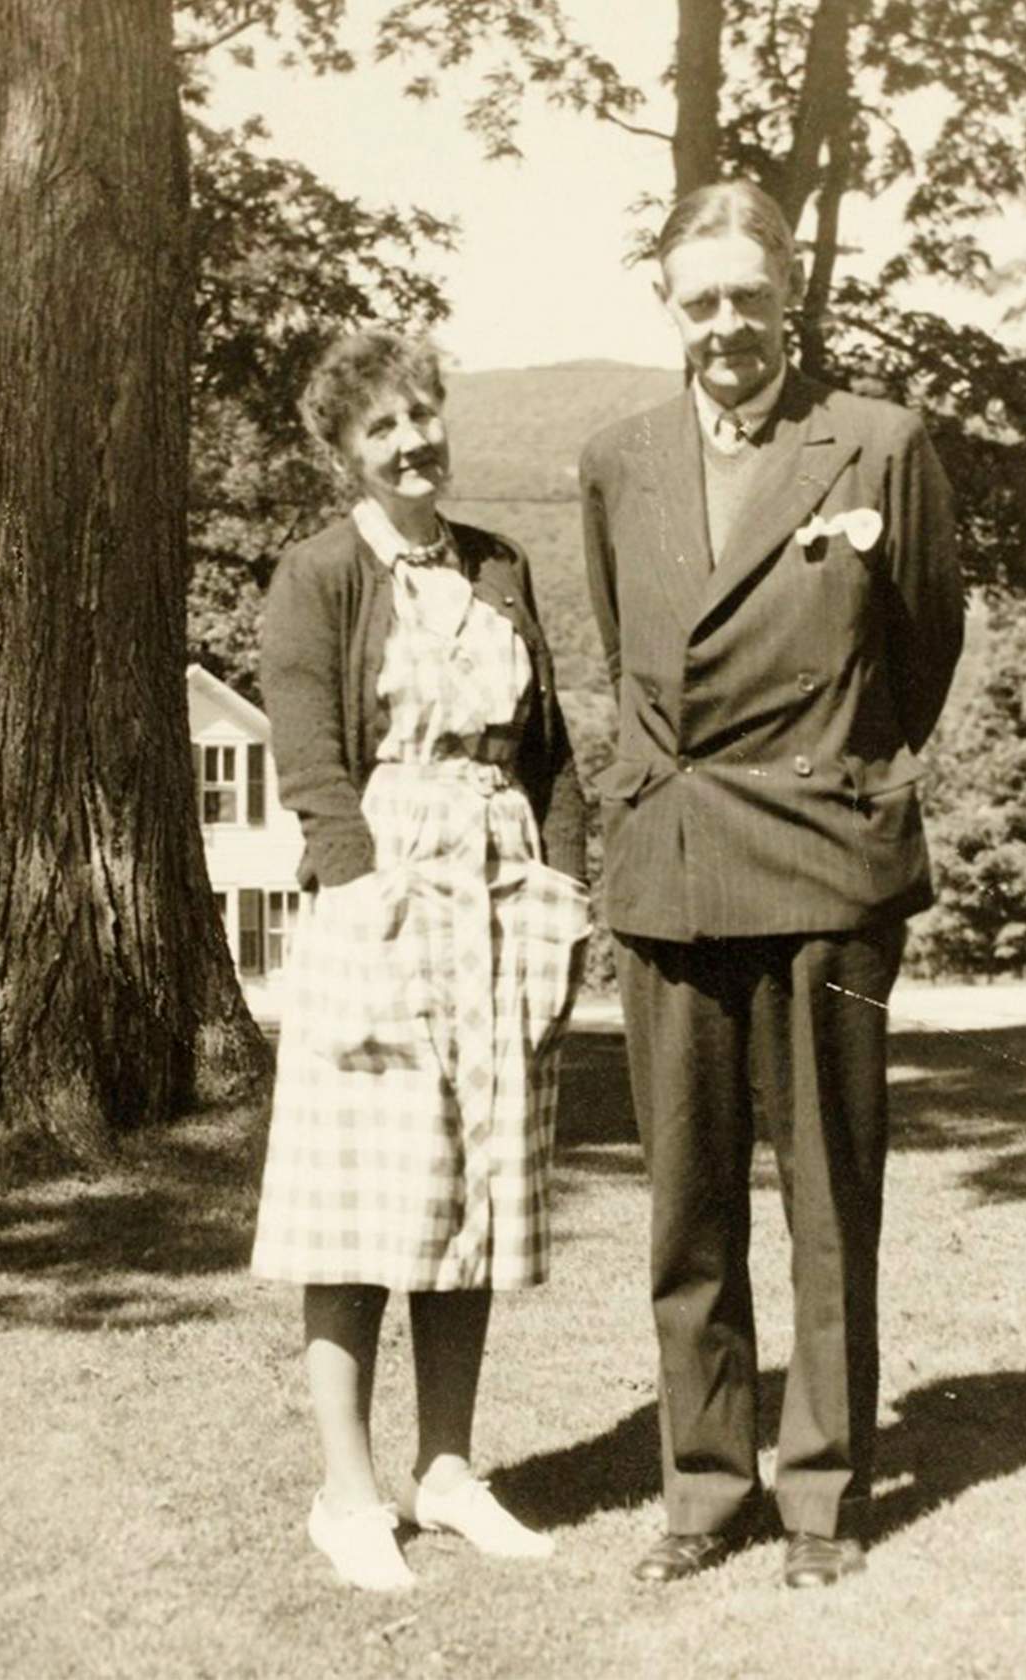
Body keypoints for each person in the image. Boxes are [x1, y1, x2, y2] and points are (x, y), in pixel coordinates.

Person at [579, 181, 963, 1589]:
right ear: (667, 306)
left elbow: (924, 648)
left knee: (825, 1198)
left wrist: (845, 772)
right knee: (687, 1204)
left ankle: (821, 1497)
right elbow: (631, 646)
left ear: (790, 290)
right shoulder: (618, 456)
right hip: (673, 866)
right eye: (702, 299)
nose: (728, 325)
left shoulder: (877, 443)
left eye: (751, 294)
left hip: (823, 860)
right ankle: (704, 1486)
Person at [252, 328, 588, 1592]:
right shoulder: (320, 573)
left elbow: (545, 746)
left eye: (424, 416)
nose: (413, 444)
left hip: (500, 894)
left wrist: (563, 884)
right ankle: (348, 1497)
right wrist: (363, 898)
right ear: (344, 450)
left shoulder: (500, 566)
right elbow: (311, 765)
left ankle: (447, 1472)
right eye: (382, 428)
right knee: (361, 1208)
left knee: (473, 1195)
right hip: (382, 893)